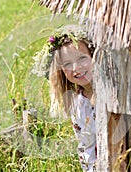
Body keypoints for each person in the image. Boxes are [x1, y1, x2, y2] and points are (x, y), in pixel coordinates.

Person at [32, 25, 96, 171]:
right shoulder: (78, 105)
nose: (76, 68)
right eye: (67, 64)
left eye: (82, 58)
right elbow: (86, 148)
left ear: (93, 56)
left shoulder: (111, 95)